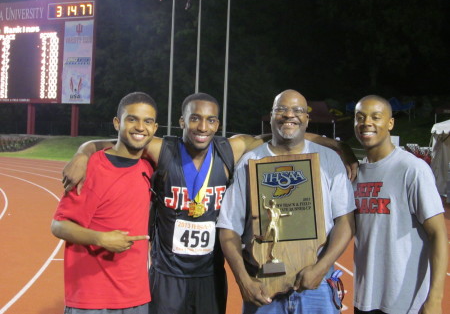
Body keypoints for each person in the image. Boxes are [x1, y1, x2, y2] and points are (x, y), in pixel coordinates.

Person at [62, 92, 358, 314]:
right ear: (182, 121)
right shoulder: (163, 149)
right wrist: (84, 150)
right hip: (167, 275)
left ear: (218, 123)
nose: (202, 126)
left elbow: (281, 135)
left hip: (209, 273)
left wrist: (336, 144)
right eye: (195, 118)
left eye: (211, 119)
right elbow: (126, 139)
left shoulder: (231, 149)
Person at [217, 89, 356, 314]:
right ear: (271, 117)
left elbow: (346, 222)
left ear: (307, 119)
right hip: (262, 285)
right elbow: (228, 228)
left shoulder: (329, 160)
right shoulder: (250, 162)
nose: (289, 115)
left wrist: (320, 269)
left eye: (297, 110)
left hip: (316, 284)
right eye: (281, 109)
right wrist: (243, 280)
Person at [51, 92, 159, 313]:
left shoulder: (149, 167)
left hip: (136, 298)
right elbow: (59, 225)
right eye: (132, 119)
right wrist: (100, 238)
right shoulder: (93, 168)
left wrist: (85, 147)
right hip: (93, 300)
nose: (140, 127)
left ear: (155, 128)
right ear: (117, 123)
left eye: (147, 121)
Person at [352, 95, 448, 314]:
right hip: (364, 298)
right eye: (360, 117)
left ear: (390, 123)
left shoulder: (412, 169)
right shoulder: (355, 174)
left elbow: (438, 235)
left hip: (404, 302)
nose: (366, 122)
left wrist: (435, 299)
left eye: (376, 117)